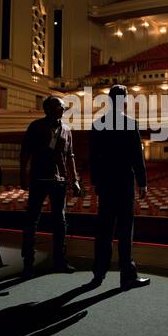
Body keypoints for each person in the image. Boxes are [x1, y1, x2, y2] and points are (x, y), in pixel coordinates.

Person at [89, 84, 150, 290]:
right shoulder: (130, 123)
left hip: (106, 185)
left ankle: (99, 272)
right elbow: (136, 156)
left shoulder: (98, 124)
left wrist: (96, 182)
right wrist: (142, 182)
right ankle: (127, 276)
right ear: (123, 100)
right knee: (125, 232)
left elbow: (93, 158)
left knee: (104, 230)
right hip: (124, 185)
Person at [20, 96, 80, 278]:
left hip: (59, 181)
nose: (63, 109)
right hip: (39, 179)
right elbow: (25, 153)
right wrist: (23, 175)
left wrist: (75, 179)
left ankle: (60, 261)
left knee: (60, 222)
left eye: (63, 107)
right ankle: (28, 262)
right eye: (60, 107)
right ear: (49, 109)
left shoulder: (67, 130)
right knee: (32, 221)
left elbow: (70, 156)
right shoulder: (35, 126)